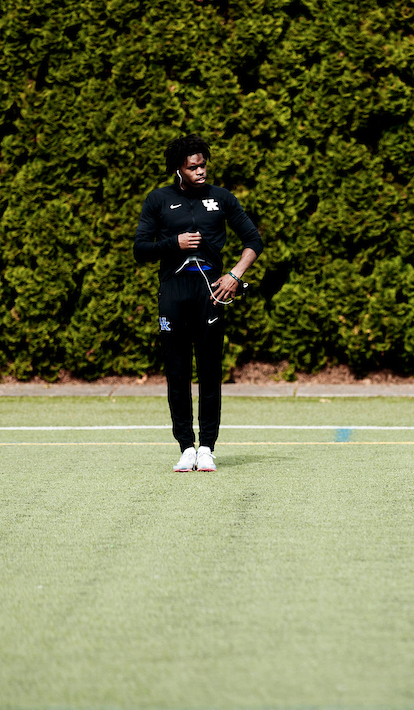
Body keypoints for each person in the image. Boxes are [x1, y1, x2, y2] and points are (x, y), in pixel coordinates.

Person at [133, 133, 263, 473]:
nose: (201, 172)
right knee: (177, 374)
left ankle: (206, 447)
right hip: (173, 294)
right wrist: (173, 242)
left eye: (203, 165)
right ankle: (185, 447)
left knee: (209, 372)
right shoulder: (158, 200)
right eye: (193, 167)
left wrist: (234, 276)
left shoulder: (221, 199)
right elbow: (140, 250)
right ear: (179, 169)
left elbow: (253, 241)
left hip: (211, 296)